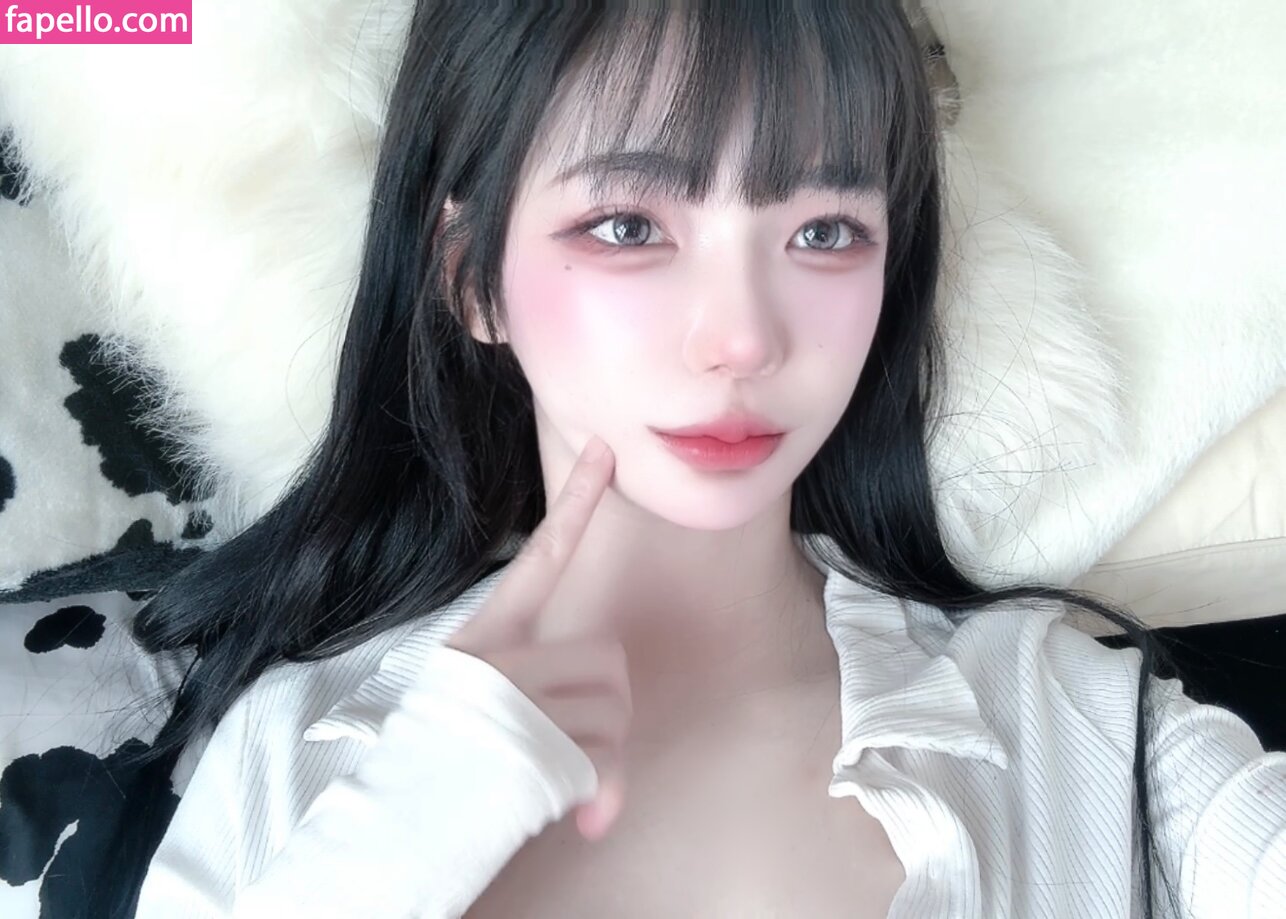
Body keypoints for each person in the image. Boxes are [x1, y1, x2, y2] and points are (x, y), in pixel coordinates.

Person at [99, 2, 1282, 917]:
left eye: (823, 231)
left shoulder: (1084, 728)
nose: (743, 337)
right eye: (628, 226)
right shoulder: (297, 754)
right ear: (470, 275)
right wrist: (413, 816)